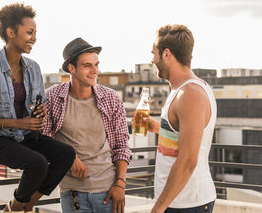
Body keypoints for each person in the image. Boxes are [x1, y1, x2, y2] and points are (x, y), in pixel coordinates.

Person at [0, 3, 75, 213]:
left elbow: (37, 102)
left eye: (35, 33)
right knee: (38, 163)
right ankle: (15, 209)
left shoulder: (33, 68)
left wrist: (39, 112)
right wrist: (18, 122)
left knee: (66, 154)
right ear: (10, 32)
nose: (34, 37)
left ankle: (27, 205)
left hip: (24, 136)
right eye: (29, 32)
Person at [43, 38, 131, 213]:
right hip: (72, 193)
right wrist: (69, 157)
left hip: (108, 192)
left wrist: (120, 184)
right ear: (71, 68)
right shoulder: (52, 97)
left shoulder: (111, 98)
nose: (94, 71)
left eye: (96, 65)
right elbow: (42, 138)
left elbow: (122, 145)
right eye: (87, 65)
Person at [140, 25, 217, 213]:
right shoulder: (182, 90)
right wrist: (159, 127)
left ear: (167, 54)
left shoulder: (190, 94)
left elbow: (188, 160)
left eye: (154, 53)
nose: (152, 60)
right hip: (178, 202)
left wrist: (158, 209)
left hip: (187, 203)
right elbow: (185, 136)